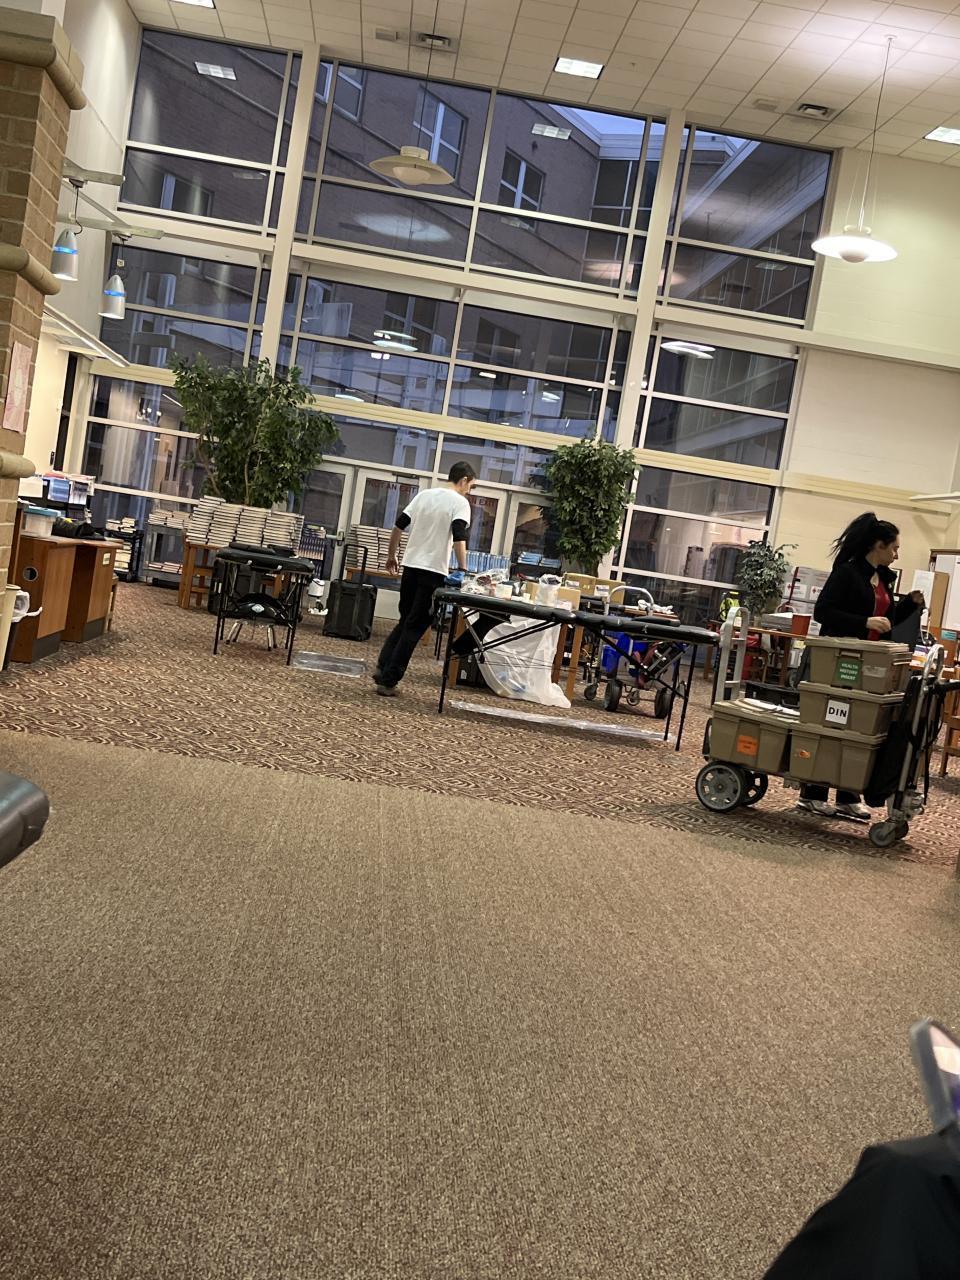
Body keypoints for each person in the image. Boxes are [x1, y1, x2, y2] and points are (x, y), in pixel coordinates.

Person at [798, 512, 924, 821]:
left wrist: (908, 604)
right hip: (839, 662)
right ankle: (813, 792)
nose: (897, 554)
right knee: (830, 725)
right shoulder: (848, 573)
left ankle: (848, 795)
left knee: (858, 729)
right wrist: (864, 622)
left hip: (869, 667)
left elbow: (885, 621)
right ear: (878, 546)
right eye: (894, 548)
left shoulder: (883, 579)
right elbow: (823, 612)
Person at [373, 462, 476, 697]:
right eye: (471, 486)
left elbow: (398, 525)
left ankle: (382, 667)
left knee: (405, 620)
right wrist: (463, 568)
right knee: (416, 626)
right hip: (433, 571)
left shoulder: (424, 495)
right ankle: (389, 680)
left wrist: (391, 555)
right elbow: (459, 536)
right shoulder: (460, 503)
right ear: (464, 480)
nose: (469, 491)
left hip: (410, 566)